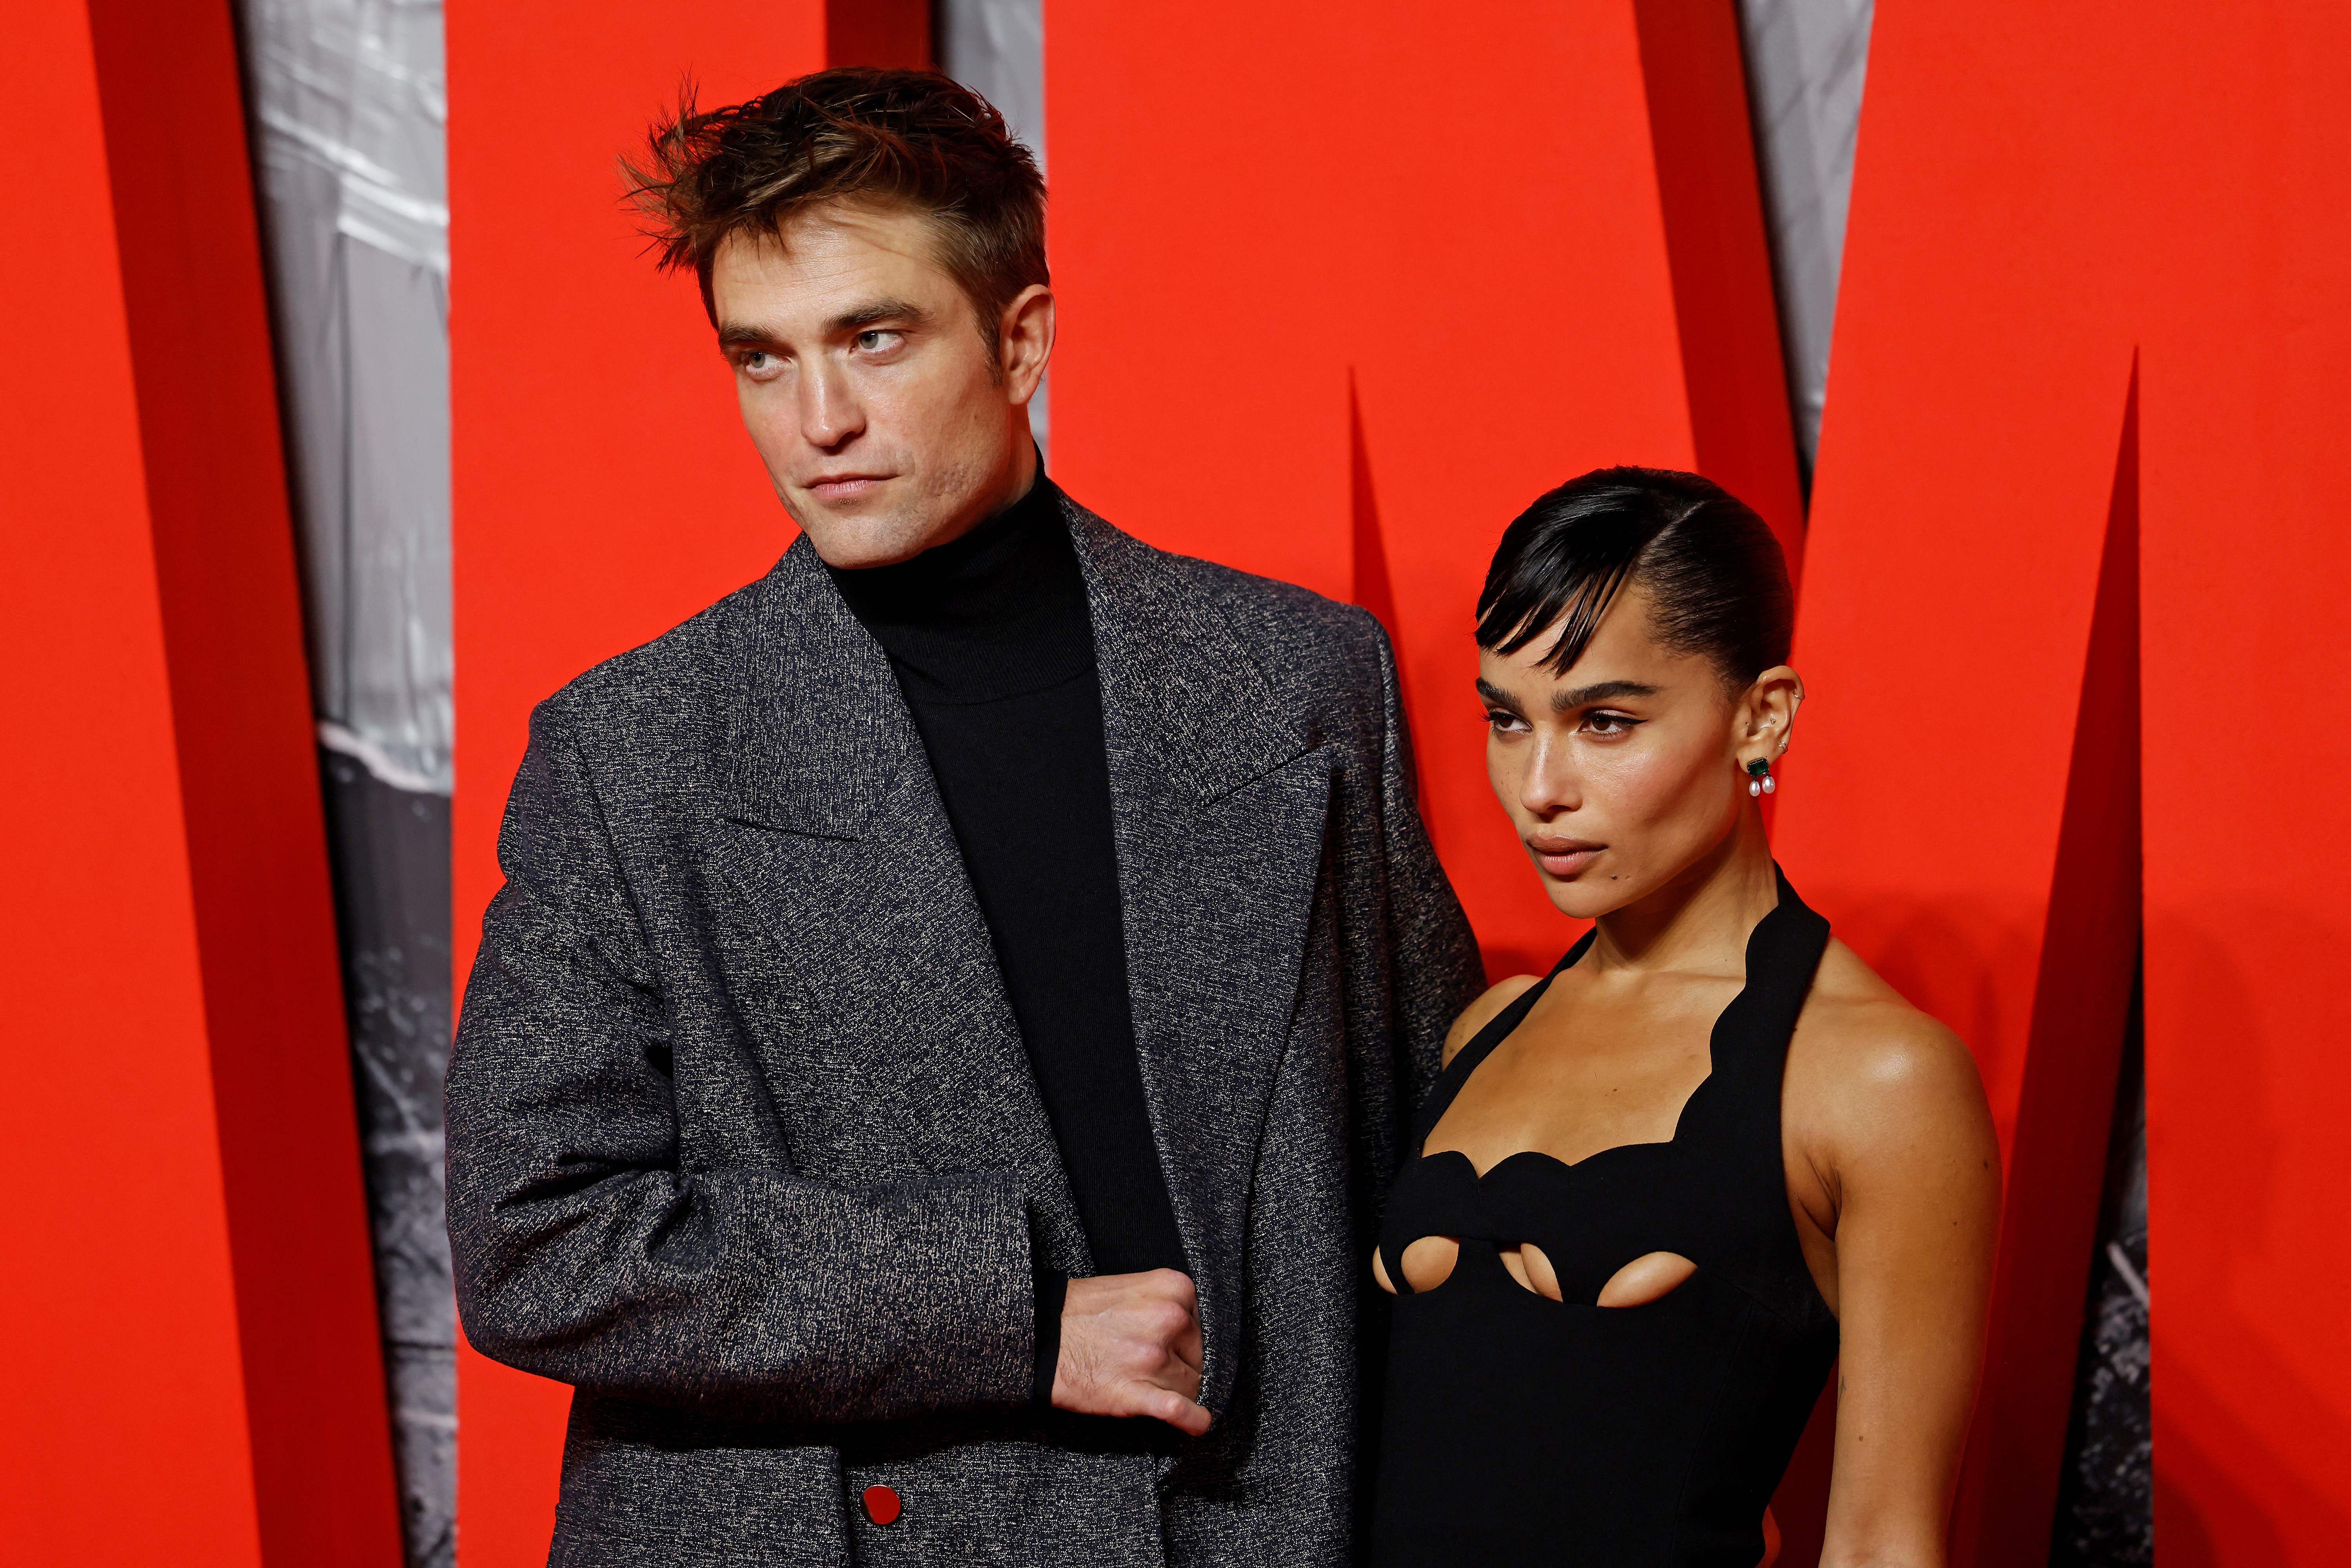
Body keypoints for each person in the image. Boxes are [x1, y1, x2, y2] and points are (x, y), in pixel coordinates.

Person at [443, 67, 1483, 1564]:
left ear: (1021, 338)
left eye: (875, 338)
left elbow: (1427, 1164)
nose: (818, 420)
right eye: (761, 358)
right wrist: (1011, 1317)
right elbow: (536, 1239)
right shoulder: (635, 750)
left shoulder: (1297, 683)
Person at [1369, 468, 2000, 1566]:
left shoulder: (1874, 1076)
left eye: (1605, 722)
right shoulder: (1486, 1030)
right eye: (1508, 721)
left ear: (1763, 715)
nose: (1540, 787)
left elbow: (1882, 1543)